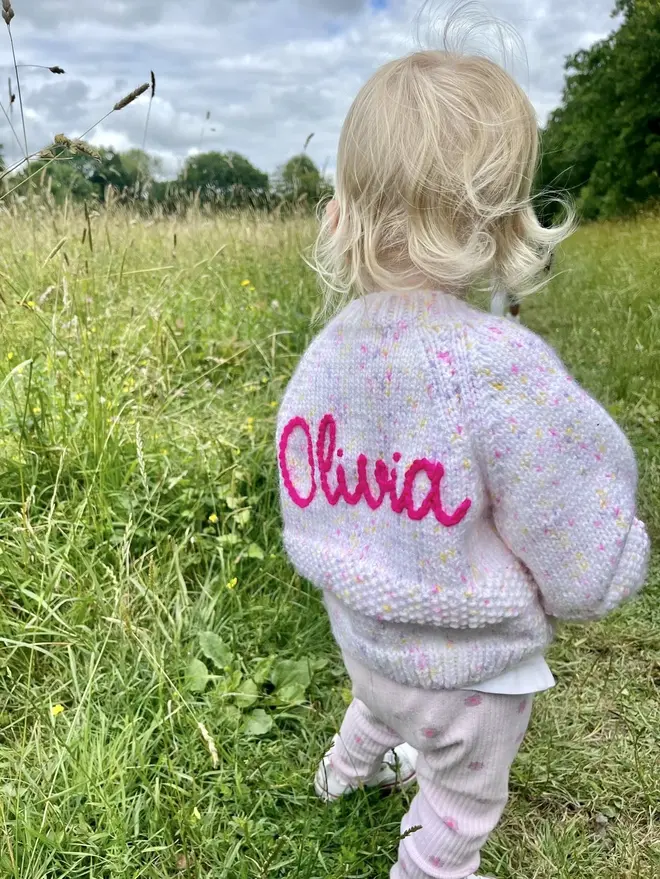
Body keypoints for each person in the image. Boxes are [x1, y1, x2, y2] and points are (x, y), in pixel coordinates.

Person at [275, 46, 650, 879]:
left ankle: (344, 769)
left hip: (366, 644)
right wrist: (605, 567)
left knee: (379, 704)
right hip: (468, 677)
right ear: (509, 223)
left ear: (343, 214)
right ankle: (432, 866)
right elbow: (566, 506)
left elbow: (313, 500)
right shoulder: (494, 369)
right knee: (461, 799)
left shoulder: (328, 357)